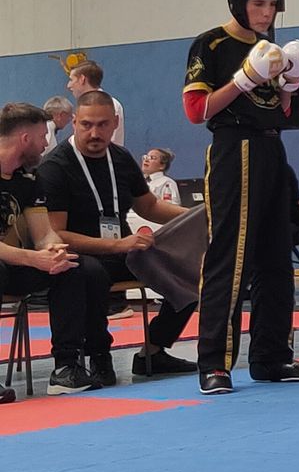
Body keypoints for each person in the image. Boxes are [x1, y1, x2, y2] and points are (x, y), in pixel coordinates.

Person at [182, 0, 299, 394]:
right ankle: (214, 363)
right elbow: (197, 111)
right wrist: (243, 80)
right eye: (258, 3)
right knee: (230, 255)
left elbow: (283, 113)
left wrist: (292, 82)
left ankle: (271, 356)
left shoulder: (273, 49)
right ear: (239, 5)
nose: (266, 13)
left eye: (272, 4)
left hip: (273, 148)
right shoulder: (211, 44)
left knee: (277, 254)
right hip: (233, 147)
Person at [37, 91, 197, 382]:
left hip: (123, 251)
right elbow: (56, 233)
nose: (94, 133)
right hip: (79, 254)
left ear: (115, 123)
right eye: (86, 125)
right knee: (90, 272)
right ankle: (98, 355)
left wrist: (198, 215)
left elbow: (148, 206)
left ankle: (154, 350)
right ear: (74, 122)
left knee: (188, 269)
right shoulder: (55, 167)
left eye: (102, 125)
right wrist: (116, 244)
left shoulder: (121, 158)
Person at [0, 103, 92, 394]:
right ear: (25, 139)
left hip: (15, 263)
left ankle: (66, 367)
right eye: (42, 137)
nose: (46, 144)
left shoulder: (29, 178)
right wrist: (34, 258)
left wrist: (53, 250)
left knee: (73, 266)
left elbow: (43, 232)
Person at [67, 61, 126, 146]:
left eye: (71, 80)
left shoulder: (109, 105)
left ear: (82, 79)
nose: (69, 85)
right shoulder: (83, 105)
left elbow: (108, 142)